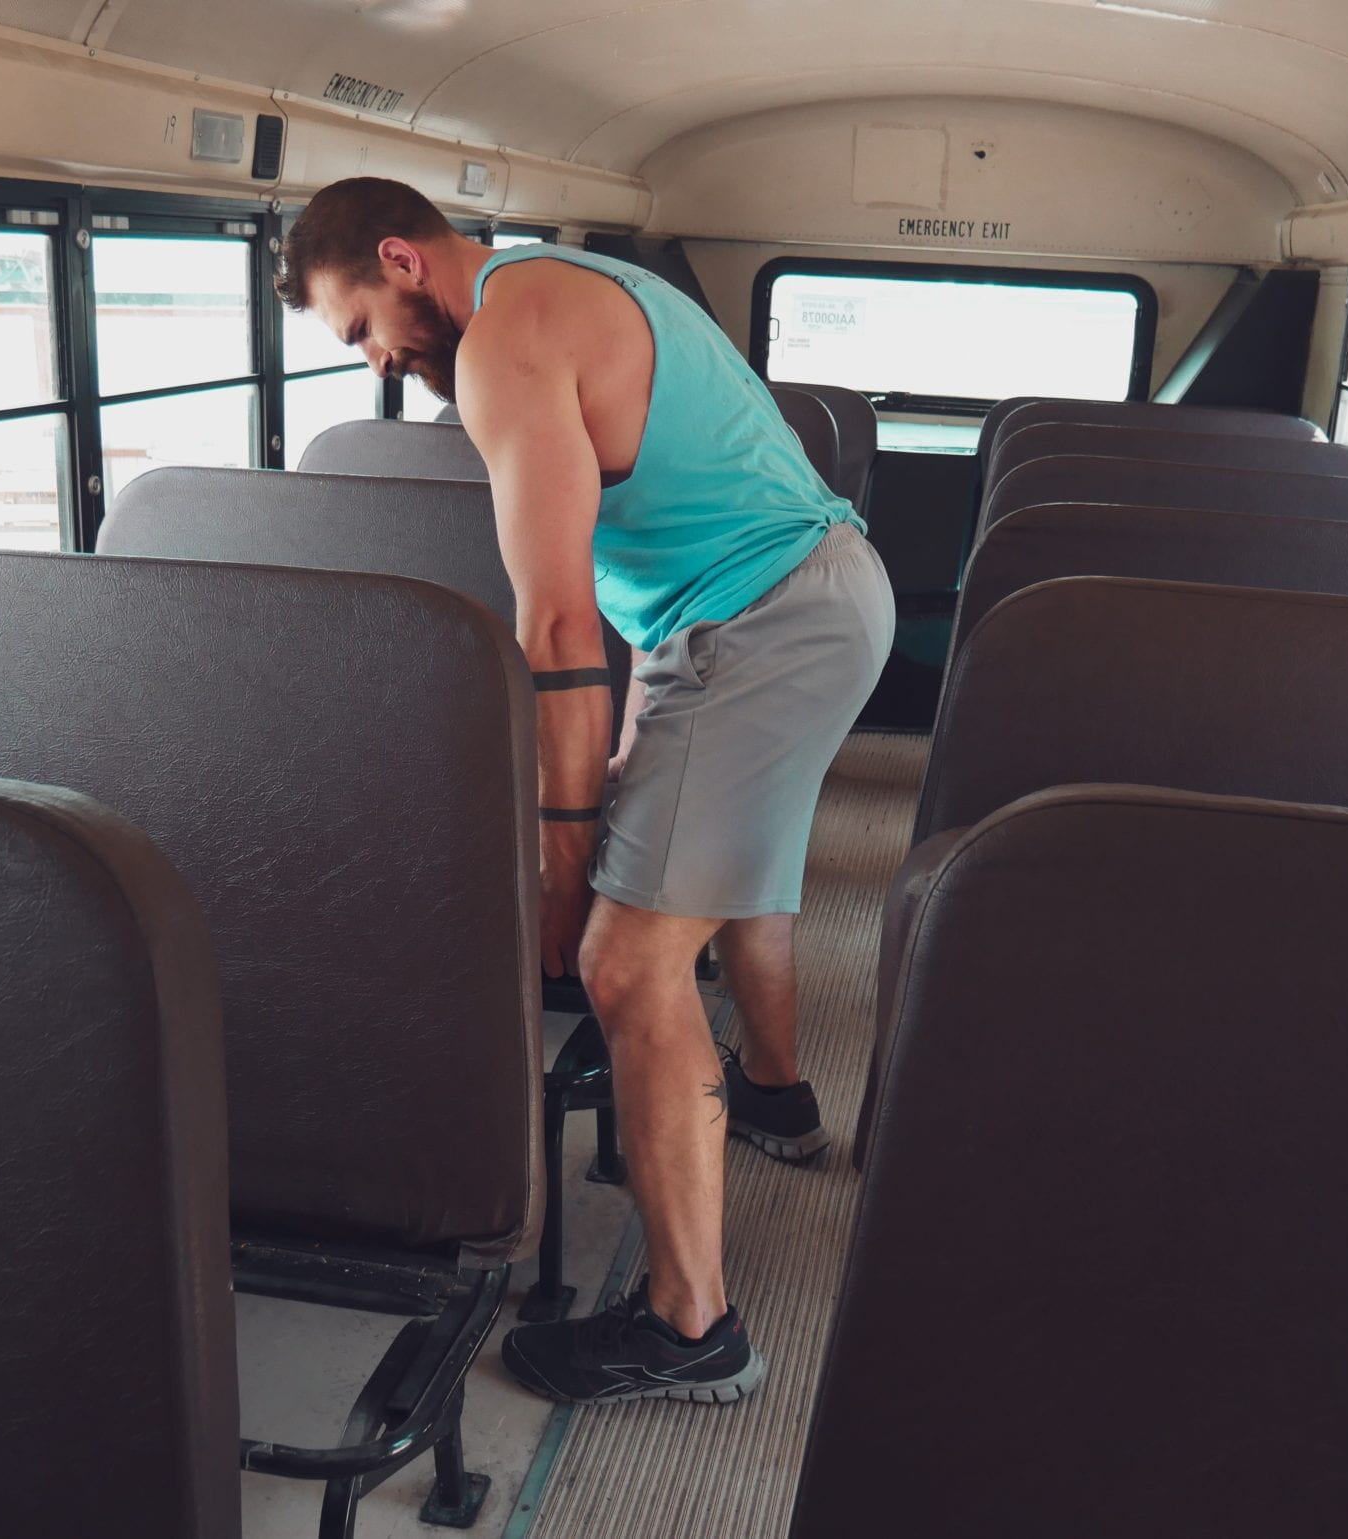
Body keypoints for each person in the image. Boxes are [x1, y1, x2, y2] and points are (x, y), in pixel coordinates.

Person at [277, 179, 894, 1405]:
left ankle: (688, 1327)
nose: (379, 366)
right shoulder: (560, 279)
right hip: (784, 601)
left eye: (360, 328)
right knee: (702, 869)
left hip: (759, 624)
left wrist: (564, 866)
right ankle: (774, 1094)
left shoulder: (508, 339)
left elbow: (555, 618)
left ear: (402, 260)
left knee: (623, 960)